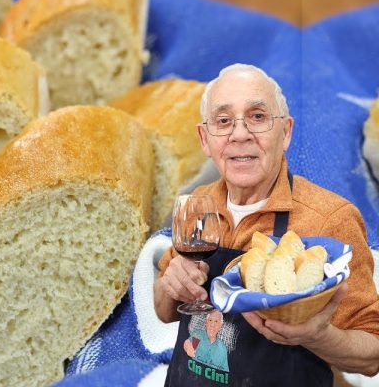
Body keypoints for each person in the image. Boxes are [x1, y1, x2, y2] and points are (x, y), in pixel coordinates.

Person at [154, 63, 379, 386]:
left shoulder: (331, 218)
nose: (240, 133)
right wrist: (169, 286)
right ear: (205, 139)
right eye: (223, 121)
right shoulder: (197, 203)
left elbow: (372, 354)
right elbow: (165, 311)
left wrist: (317, 335)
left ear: (285, 132)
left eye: (257, 117)